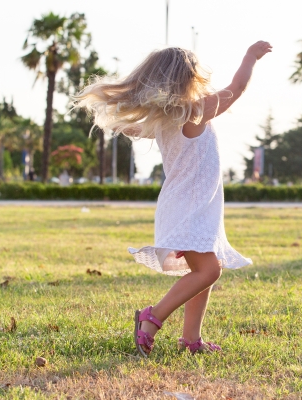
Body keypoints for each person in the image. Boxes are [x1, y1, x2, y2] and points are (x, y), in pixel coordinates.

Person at [76, 41, 272, 356]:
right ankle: (151, 318)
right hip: (190, 206)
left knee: (206, 269)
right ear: (189, 78)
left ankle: (191, 339)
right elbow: (236, 88)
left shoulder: (166, 119)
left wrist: (130, 122)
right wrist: (250, 57)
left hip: (188, 204)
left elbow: (136, 130)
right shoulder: (196, 110)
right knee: (209, 271)